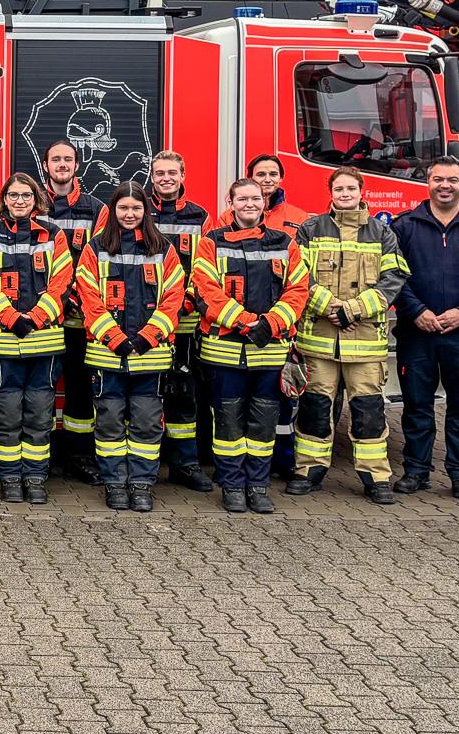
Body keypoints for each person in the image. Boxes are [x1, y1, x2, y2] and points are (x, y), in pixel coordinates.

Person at [290, 167, 409, 504]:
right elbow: (297, 275)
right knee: (314, 408)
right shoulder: (311, 229)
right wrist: (330, 306)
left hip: (365, 341)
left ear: (361, 191)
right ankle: (308, 471)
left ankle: (375, 478)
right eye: (339, 188)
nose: (344, 194)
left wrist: (353, 310)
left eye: (350, 188)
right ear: (330, 192)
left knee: (369, 411)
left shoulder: (382, 233)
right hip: (320, 341)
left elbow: (394, 278)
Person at [191, 179, 309, 515]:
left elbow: (298, 290)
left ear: (264, 201)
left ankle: (257, 486)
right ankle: (231, 486)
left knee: (263, 423)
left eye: (255, 198)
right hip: (224, 351)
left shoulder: (285, 243)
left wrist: (271, 324)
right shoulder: (211, 242)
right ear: (231, 202)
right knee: (227, 422)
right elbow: (205, 289)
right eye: (242, 198)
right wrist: (245, 322)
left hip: (269, 351)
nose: (249, 204)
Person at [392, 156, 459, 499]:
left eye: (452, 180)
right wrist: (417, 310)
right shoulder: (404, 226)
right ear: (428, 182)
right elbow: (394, 276)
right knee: (416, 405)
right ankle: (416, 471)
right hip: (416, 332)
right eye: (439, 179)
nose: (445, 186)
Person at [77, 181, 186, 513]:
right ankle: (114, 483)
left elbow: (173, 299)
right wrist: (115, 338)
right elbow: (88, 299)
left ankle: (141, 484)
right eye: (123, 208)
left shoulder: (163, 249)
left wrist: (146, 337)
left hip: (148, 357)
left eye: (136, 208)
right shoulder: (95, 248)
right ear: (113, 211)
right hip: (107, 356)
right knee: (109, 421)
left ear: (145, 210)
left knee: (147, 422)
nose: (129, 214)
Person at [0, 173, 74, 503]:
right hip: (4, 341)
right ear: (4, 199)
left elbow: (62, 281)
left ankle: (36, 477)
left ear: (36, 199)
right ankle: (10, 477)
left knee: (40, 413)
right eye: (13, 195)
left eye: (25, 196)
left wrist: (38, 317)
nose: (19, 201)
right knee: (8, 412)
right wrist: (13, 319)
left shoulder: (54, 235)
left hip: (45, 343)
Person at [145, 151, 214, 492]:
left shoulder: (200, 216)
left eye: (172, 172)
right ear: (151, 175)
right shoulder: (137, 209)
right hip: (143, 324)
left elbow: (206, 268)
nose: (166, 178)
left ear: (183, 174)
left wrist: (183, 302)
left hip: (184, 323)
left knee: (183, 395)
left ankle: (185, 464)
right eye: (160, 173)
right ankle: (145, 464)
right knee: (145, 396)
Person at [41, 139, 105, 481]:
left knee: (81, 387)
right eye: (56, 159)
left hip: (82, 315)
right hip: (43, 316)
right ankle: (45, 454)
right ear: (46, 165)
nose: (62, 164)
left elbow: (100, 259)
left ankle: (80, 456)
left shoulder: (97, 209)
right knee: (44, 386)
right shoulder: (31, 205)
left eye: (68, 159)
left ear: (77, 165)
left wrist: (79, 295)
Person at [247, 152, 311, 477]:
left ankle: (283, 462)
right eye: (261, 173)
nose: (267, 179)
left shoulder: (300, 219)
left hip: (283, 323)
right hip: (244, 326)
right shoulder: (228, 216)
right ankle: (245, 463)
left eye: (273, 173)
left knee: (281, 396)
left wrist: (286, 319)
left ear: (281, 179)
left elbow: (303, 275)